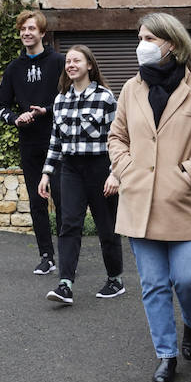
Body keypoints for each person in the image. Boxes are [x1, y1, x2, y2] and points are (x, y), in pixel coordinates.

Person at [108, 13, 191, 382]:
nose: (140, 44)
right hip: (140, 203)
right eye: (139, 37)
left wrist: (189, 172)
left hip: (183, 201)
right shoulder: (130, 88)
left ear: (170, 43)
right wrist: (126, 169)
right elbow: (116, 137)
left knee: (189, 277)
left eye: (148, 38)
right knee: (154, 285)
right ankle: (166, 355)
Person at [38, 45, 124, 306]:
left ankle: (115, 279)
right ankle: (65, 284)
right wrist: (46, 173)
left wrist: (115, 173)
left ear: (89, 65)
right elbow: (56, 140)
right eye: (68, 61)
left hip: (100, 168)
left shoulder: (105, 97)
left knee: (106, 227)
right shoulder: (60, 99)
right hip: (71, 169)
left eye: (77, 60)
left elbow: (119, 139)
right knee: (68, 224)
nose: (71, 64)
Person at [0, 10, 66, 276]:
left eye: (32, 29)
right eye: (23, 29)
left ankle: (66, 256)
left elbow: (68, 97)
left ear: (42, 33)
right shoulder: (14, 69)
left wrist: (46, 110)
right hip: (30, 144)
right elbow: (2, 105)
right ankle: (46, 256)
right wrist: (16, 119)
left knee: (61, 199)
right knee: (38, 202)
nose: (27, 33)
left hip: (57, 141)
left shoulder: (59, 62)